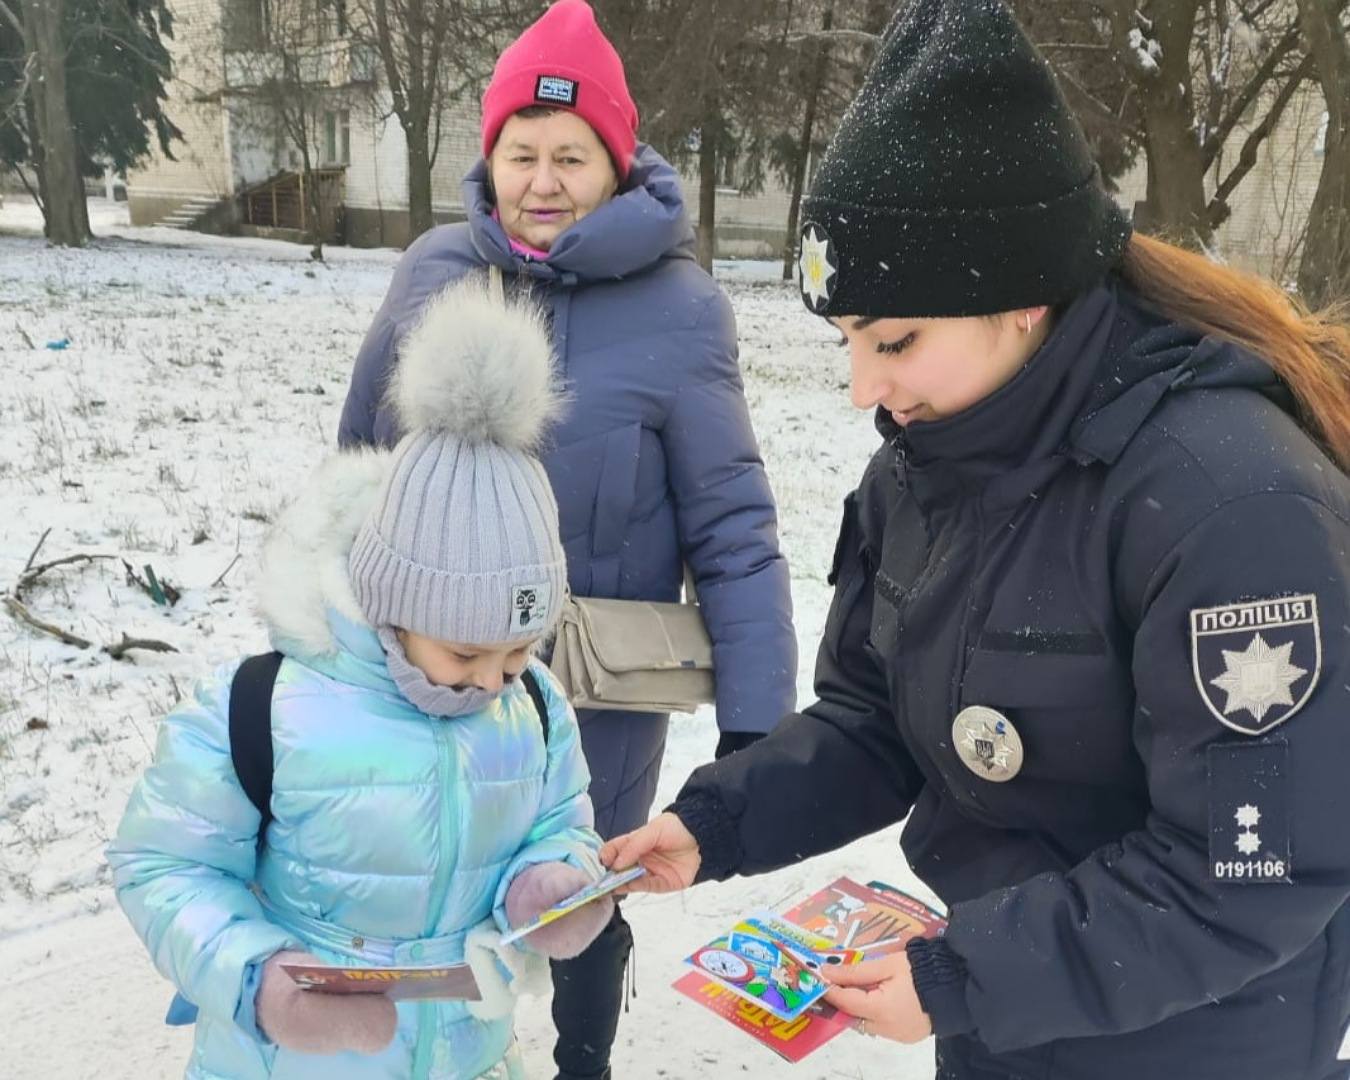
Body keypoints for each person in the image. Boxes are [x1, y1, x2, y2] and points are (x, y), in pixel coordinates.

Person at [601, 2, 1350, 1078]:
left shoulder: (1229, 509)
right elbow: (880, 720)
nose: (865, 387)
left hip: (1203, 1037)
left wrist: (969, 977)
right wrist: (717, 824)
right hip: (1011, 1015)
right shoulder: (927, 462)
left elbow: (1248, 869)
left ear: (1023, 302)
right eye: (849, 341)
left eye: (895, 339)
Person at [337, 3, 796, 1077]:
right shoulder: (432, 273)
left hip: (595, 696)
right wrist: (326, 642)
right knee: (430, 880)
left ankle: (581, 1058)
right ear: (490, 156)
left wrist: (755, 733)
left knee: (578, 888)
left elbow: (732, 524)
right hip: (426, 675)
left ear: (617, 160)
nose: (543, 180)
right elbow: (360, 470)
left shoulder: (682, 309)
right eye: (522, 153)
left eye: (571, 156)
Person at [108, 276, 615, 1079]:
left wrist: (550, 884)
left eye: (518, 652)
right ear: (392, 602)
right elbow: (163, 863)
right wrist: (258, 979)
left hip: (467, 1059)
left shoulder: (536, 709)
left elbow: (561, 822)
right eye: (463, 654)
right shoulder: (265, 709)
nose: (491, 682)